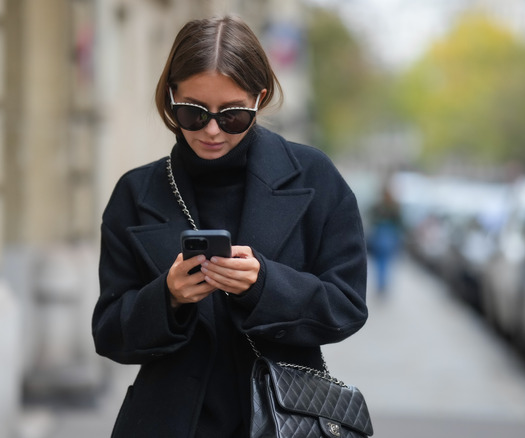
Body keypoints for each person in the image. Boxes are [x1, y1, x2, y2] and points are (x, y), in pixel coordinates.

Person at [92, 15, 368, 438]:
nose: (212, 130)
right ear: (171, 98)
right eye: (193, 112)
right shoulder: (136, 192)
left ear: (259, 99)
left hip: (288, 420)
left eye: (233, 115)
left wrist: (264, 285)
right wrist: (167, 299)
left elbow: (347, 306)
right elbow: (109, 332)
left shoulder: (314, 177)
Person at [367, 183, 402, 296]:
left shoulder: (381, 206)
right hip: (387, 235)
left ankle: (381, 284)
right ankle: (382, 284)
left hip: (383, 235)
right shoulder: (393, 206)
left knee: (381, 262)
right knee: (384, 262)